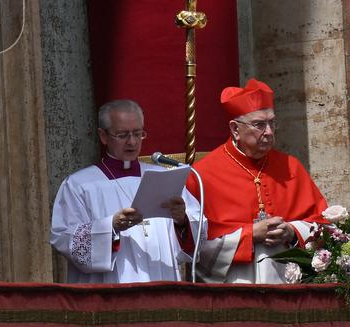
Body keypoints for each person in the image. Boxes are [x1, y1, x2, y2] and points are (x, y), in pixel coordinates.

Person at [189, 78, 328, 283]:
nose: (269, 132)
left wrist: (291, 231)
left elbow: (322, 223)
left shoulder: (291, 166)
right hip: (234, 288)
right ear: (235, 129)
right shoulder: (202, 174)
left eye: (272, 122)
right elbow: (193, 249)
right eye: (259, 125)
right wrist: (250, 235)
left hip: (288, 284)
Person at [51, 99, 203, 282]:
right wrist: (111, 226)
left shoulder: (164, 177)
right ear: (103, 136)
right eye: (122, 135)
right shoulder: (79, 185)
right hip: (111, 290)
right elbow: (64, 239)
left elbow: (199, 228)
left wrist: (182, 221)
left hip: (162, 280)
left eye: (138, 133)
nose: (132, 142)